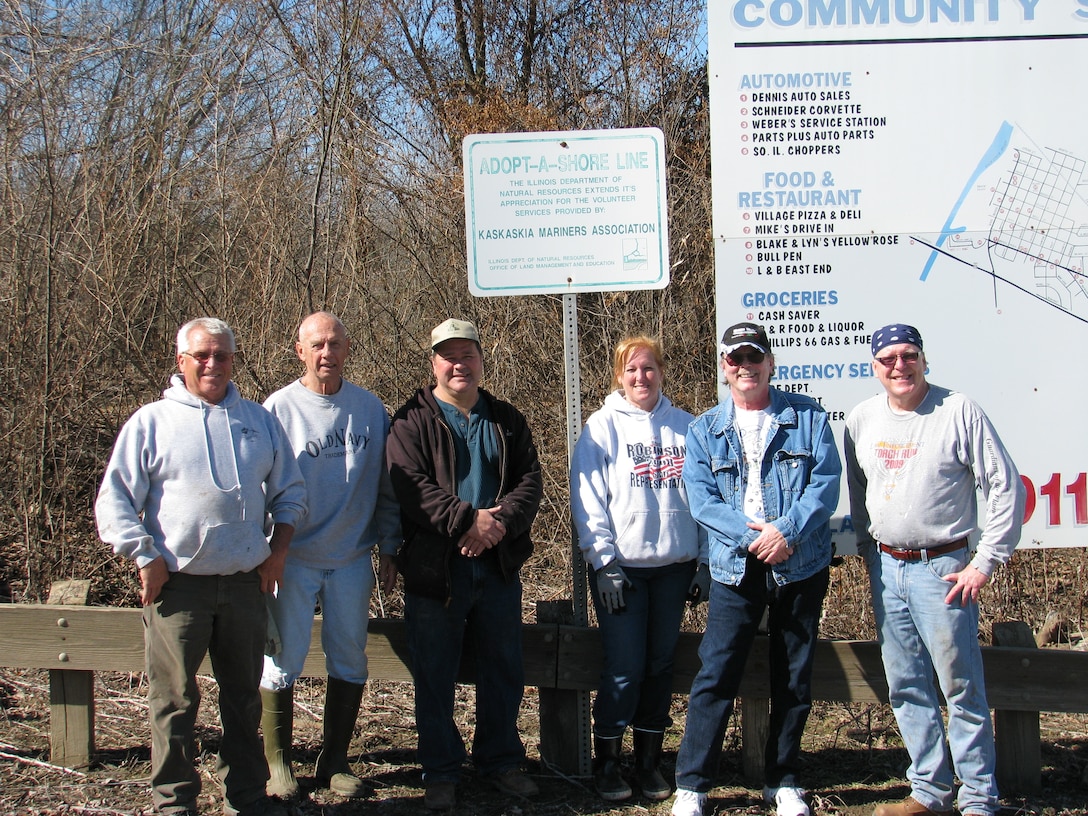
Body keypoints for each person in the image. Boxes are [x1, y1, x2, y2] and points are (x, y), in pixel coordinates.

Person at [95, 317, 307, 816]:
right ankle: (174, 801)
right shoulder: (151, 423)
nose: (213, 364)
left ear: (234, 360)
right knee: (173, 703)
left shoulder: (259, 421)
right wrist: (144, 556)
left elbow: (291, 492)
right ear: (181, 361)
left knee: (243, 702)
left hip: (244, 584)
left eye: (223, 355)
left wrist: (276, 553)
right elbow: (115, 501)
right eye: (202, 356)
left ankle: (248, 796)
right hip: (178, 587)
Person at [844, 324, 1025, 816]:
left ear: (924, 359)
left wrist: (983, 562)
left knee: (961, 686)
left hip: (943, 569)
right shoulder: (862, 419)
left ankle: (978, 798)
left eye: (909, 356)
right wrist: (867, 549)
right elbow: (859, 492)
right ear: (874, 367)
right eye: (888, 359)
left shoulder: (957, 411)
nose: (899, 366)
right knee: (905, 685)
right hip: (888, 567)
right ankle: (929, 791)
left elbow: (1006, 488)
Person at [671, 322, 841, 816]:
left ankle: (783, 780)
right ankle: (693, 785)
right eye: (734, 359)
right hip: (734, 568)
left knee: (794, 677)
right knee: (716, 673)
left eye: (754, 357)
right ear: (724, 368)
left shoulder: (808, 417)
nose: (745, 366)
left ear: (770, 363)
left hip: (800, 563)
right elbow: (702, 501)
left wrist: (785, 531)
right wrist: (756, 537)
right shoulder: (704, 429)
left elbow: (825, 486)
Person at [385, 318, 543, 811]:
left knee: (503, 668)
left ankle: (500, 761)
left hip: (496, 568)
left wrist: (495, 527)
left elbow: (530, 481)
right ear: (433, 362)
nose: (459, 364)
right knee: (434, 674)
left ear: (480, 359)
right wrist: (466, 523)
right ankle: (441, 770)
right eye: (448, 355)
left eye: (467, 354)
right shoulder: (411, 420)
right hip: (437, 572)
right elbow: (410, 487)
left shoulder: (506, 418)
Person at [259, 312, 401, 799]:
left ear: (347, 349)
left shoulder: (368, 409)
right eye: (317, 344)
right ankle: (278, 762)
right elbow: (262, 488)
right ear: (299, 350)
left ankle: (334, 760)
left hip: (351, 558)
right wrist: (266, 553)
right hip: (292, 557)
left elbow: (387, 486)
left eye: (335, 344)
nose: (327, 353)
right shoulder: (277, 410)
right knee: (283, 658)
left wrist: (389, 544)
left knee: (349, 658)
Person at [571, 336, 708, 802]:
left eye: (648, 368)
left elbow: (708, 500)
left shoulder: (689, 428)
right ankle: (607, 761)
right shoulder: (601, 427)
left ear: (662, 372)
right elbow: (588, 499)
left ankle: (649, 762)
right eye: (631, 370)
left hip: (674, 567)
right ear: (619, 377)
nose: (641, 378)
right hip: (621, 570)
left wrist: (704, 560)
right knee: (624, 668)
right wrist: (603, 560)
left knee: (659, 666)